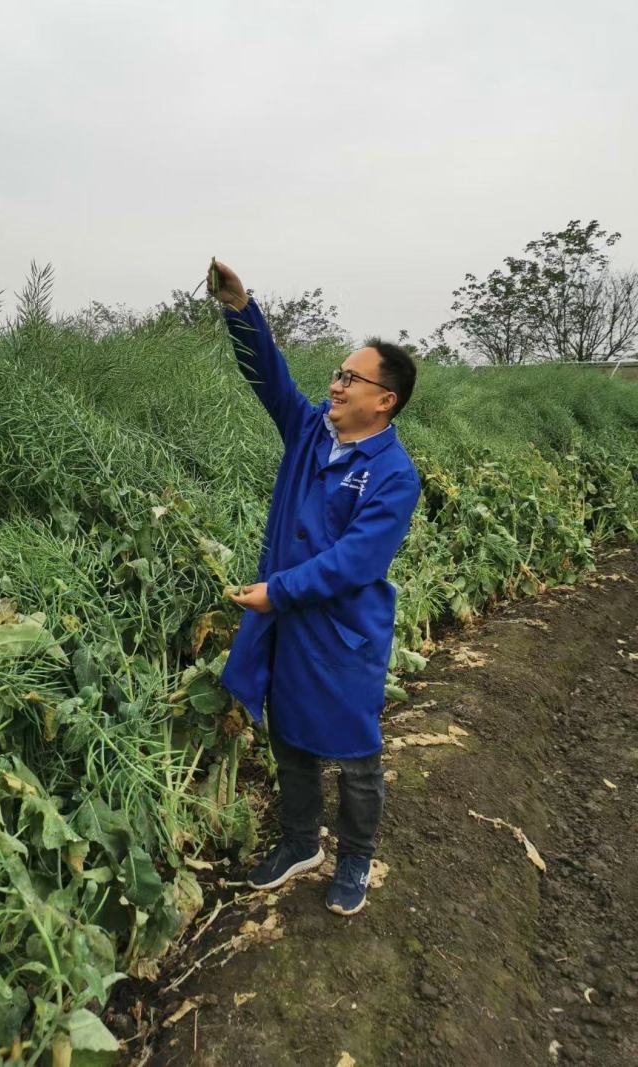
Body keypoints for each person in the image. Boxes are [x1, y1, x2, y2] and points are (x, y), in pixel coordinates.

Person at [208, 260, 421, 917]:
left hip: (341, 629)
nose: (334, 384)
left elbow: (356, 561)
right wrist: (241, 309)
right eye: (336, 373)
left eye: (349, 378)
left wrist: (277, 590)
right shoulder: (311, 433)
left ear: (383, 399)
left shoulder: (393, 473)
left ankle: (355, 854)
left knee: (355, 752)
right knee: (289, 734)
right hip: (289, 621)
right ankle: (301, 841)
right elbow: (267, 375)